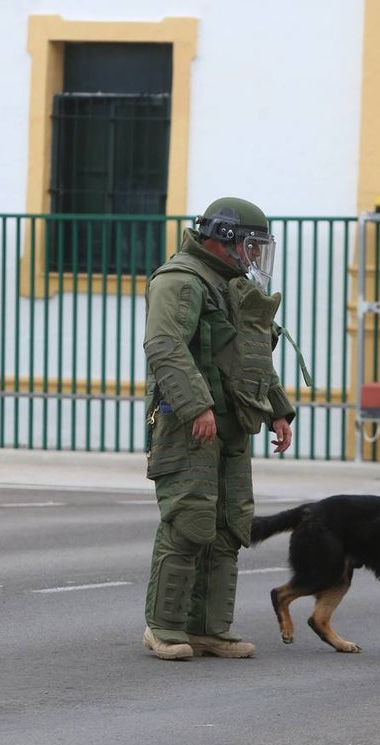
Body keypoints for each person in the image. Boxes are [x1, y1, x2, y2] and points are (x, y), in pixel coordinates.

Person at [141, 197, 296, 661]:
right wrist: (197, 407)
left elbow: (251, 356)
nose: (255, 256)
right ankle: (164, 628)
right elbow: (164, 345)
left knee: (230, 525)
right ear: (223, 238)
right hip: (187, 425)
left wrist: (278, 409)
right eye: (251, 245)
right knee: (189, 519)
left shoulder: (232, 285)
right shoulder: (180, 279)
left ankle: (209, 629)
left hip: (233, 423)